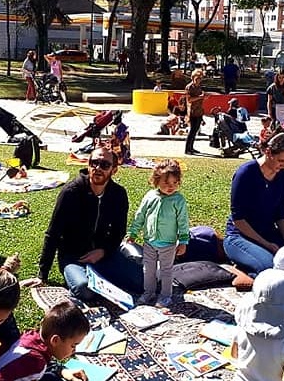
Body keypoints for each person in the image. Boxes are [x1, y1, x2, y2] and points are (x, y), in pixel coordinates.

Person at [37, 147, 142, 301]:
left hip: (103, 254)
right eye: (94, 163)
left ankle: (103, 275)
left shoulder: (118, 194)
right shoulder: (71, 192)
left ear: (114, 170)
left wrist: (103, 251)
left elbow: (118, 231)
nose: (97, 168)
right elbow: (53, 233)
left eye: (105, 165)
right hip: (74, 257)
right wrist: (42, 274)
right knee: (84, 289)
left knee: (140, 281)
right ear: (88, 164)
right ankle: (97, 277)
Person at [223, 133, 284, 274]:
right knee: (271, 268)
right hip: (240, 236)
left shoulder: (283, 176)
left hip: (269, 233)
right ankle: (240, 272)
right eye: (281, 161)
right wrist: (267, 245)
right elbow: (238, 219)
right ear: (268, 152)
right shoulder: (246, 173)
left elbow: (280, 213)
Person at [127, 159, 190, 307]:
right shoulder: (150, 196)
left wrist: (183, 241)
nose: (171, 187)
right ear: (156, 181)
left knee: (166, 271)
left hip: (168, 244)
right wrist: (133, 232)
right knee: (148, 269)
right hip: (149, 242)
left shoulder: (178, 200)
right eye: (166, 183)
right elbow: (140, 215)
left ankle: (165, 296)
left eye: (175, 183)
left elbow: (183, 222)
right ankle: (149, 292)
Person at [184, 69, 206, 155]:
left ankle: (191, 147)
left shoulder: (199, 87)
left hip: (199, 111)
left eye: (200, 78)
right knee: (192, 130)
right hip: (192, 111)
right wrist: (200, 97)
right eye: (197, 78)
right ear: (193, 78)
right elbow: (189, 99)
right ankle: (187, 149)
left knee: (196, 130)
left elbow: (200, 98)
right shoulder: (189, 87)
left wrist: (204, 97)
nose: (199, 80)